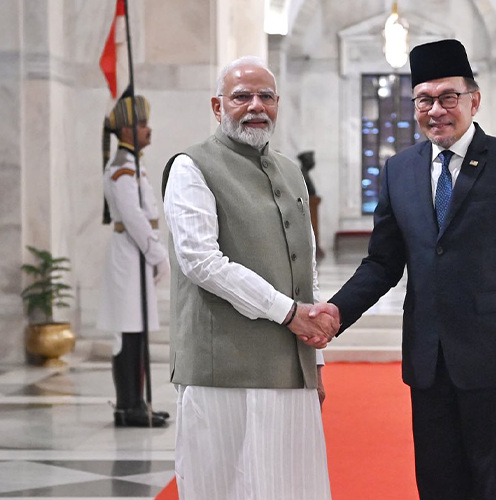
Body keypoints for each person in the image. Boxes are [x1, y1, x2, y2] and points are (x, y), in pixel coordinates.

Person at [314, 39, 496, 499]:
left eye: (448, 97)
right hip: (428, 362)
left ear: (474, 100)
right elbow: (383, 263)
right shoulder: (399, 171)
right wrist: (334, 312)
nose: (436, 110)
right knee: (437, 483)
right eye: (424, 100)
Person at [161, 56, 333, 500]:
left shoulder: (290, 170)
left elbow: (304, 266)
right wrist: (289, 313)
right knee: (222, 486)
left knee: (291, 486)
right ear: (218, 107)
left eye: (266, 96)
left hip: (290, 367)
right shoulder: (191, 167)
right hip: (222, 369)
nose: (256, 106)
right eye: (242, 96)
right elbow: (202, 261)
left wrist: (315, 363)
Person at [97, 91, 172, 428]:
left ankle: (136, 403)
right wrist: (158, 254)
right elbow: (134, 219)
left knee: (137, 334)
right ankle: (128, 407)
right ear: (126, 132)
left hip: (135, 254)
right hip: (131, 255)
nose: (148, 130)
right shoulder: (122, 171)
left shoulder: (131, 167)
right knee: (129, 335)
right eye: (142, 124)